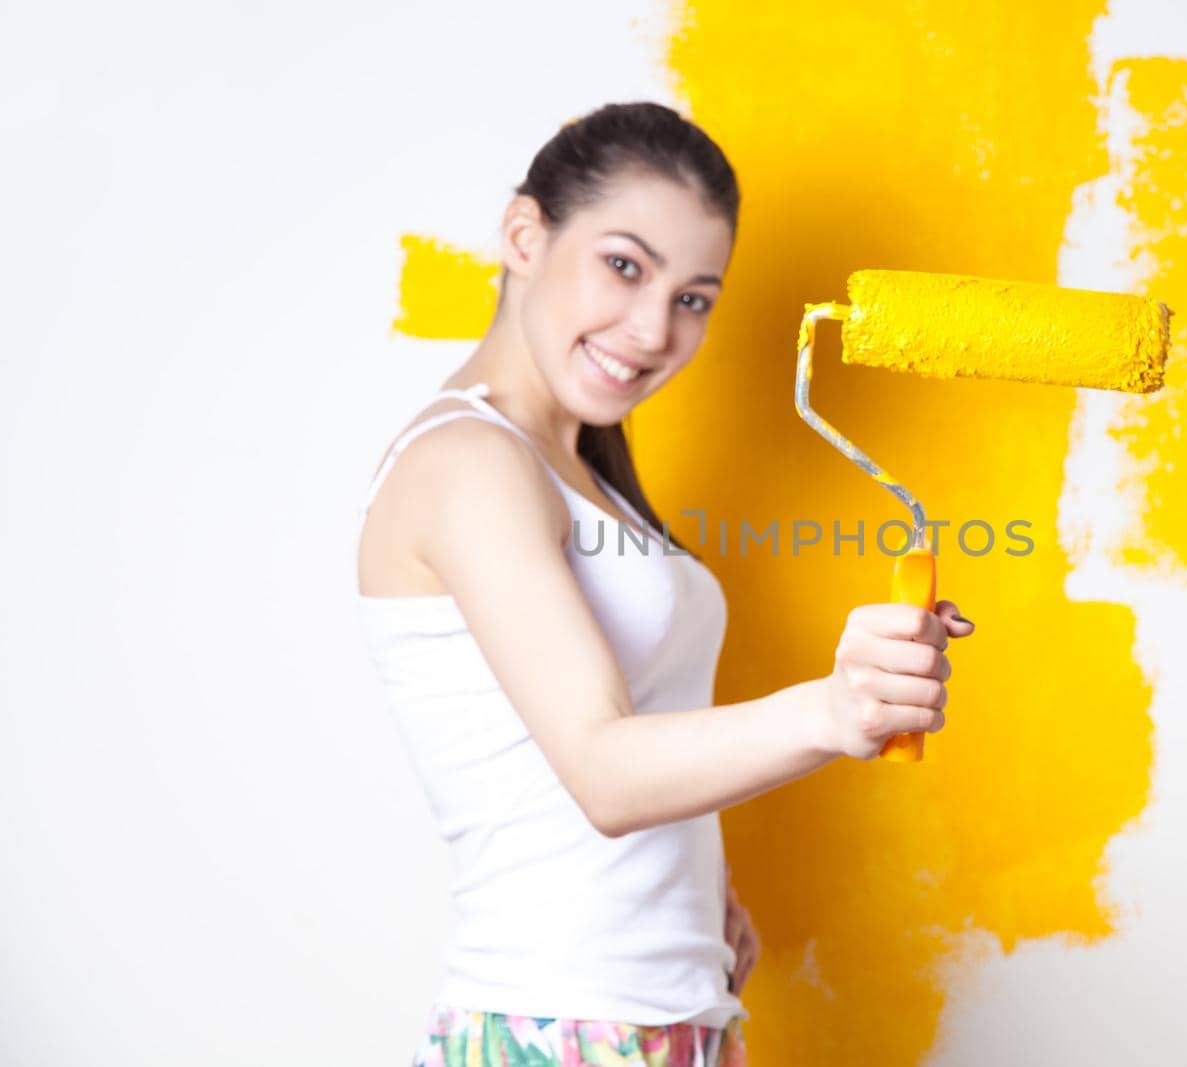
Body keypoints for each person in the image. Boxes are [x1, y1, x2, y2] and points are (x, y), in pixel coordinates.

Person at [353, 101, 976, 1067]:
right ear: (526, 234)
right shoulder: (470, 460)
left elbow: (600, 738)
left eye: (693, 297)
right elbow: (603, 770)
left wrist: (696, 894)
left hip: (663, 1016)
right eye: (624, 265)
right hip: (558, 1027)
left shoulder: (578, 467)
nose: (652, 329)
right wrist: (836, 707)